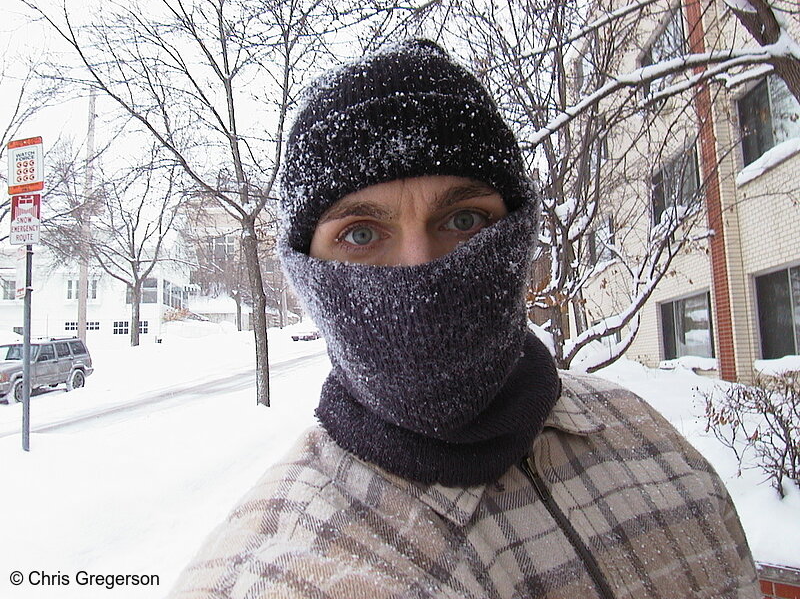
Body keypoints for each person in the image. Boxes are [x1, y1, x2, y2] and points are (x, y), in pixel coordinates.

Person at [168, 39, 758, 598]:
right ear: (305, 274)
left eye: (464, 220)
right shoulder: (276, 570)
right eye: (362, 234)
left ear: (519, 235)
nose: (422, 271)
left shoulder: (651, 443)